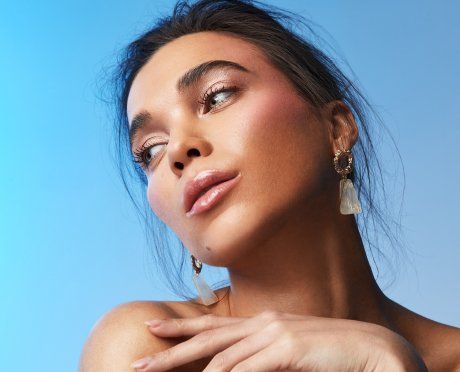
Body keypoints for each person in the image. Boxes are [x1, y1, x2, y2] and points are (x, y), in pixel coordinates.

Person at [79, 0, 460, 370]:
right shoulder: (154, 350)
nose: (178, 150)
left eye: (217, 97)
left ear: (336, 129)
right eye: (151, 150)